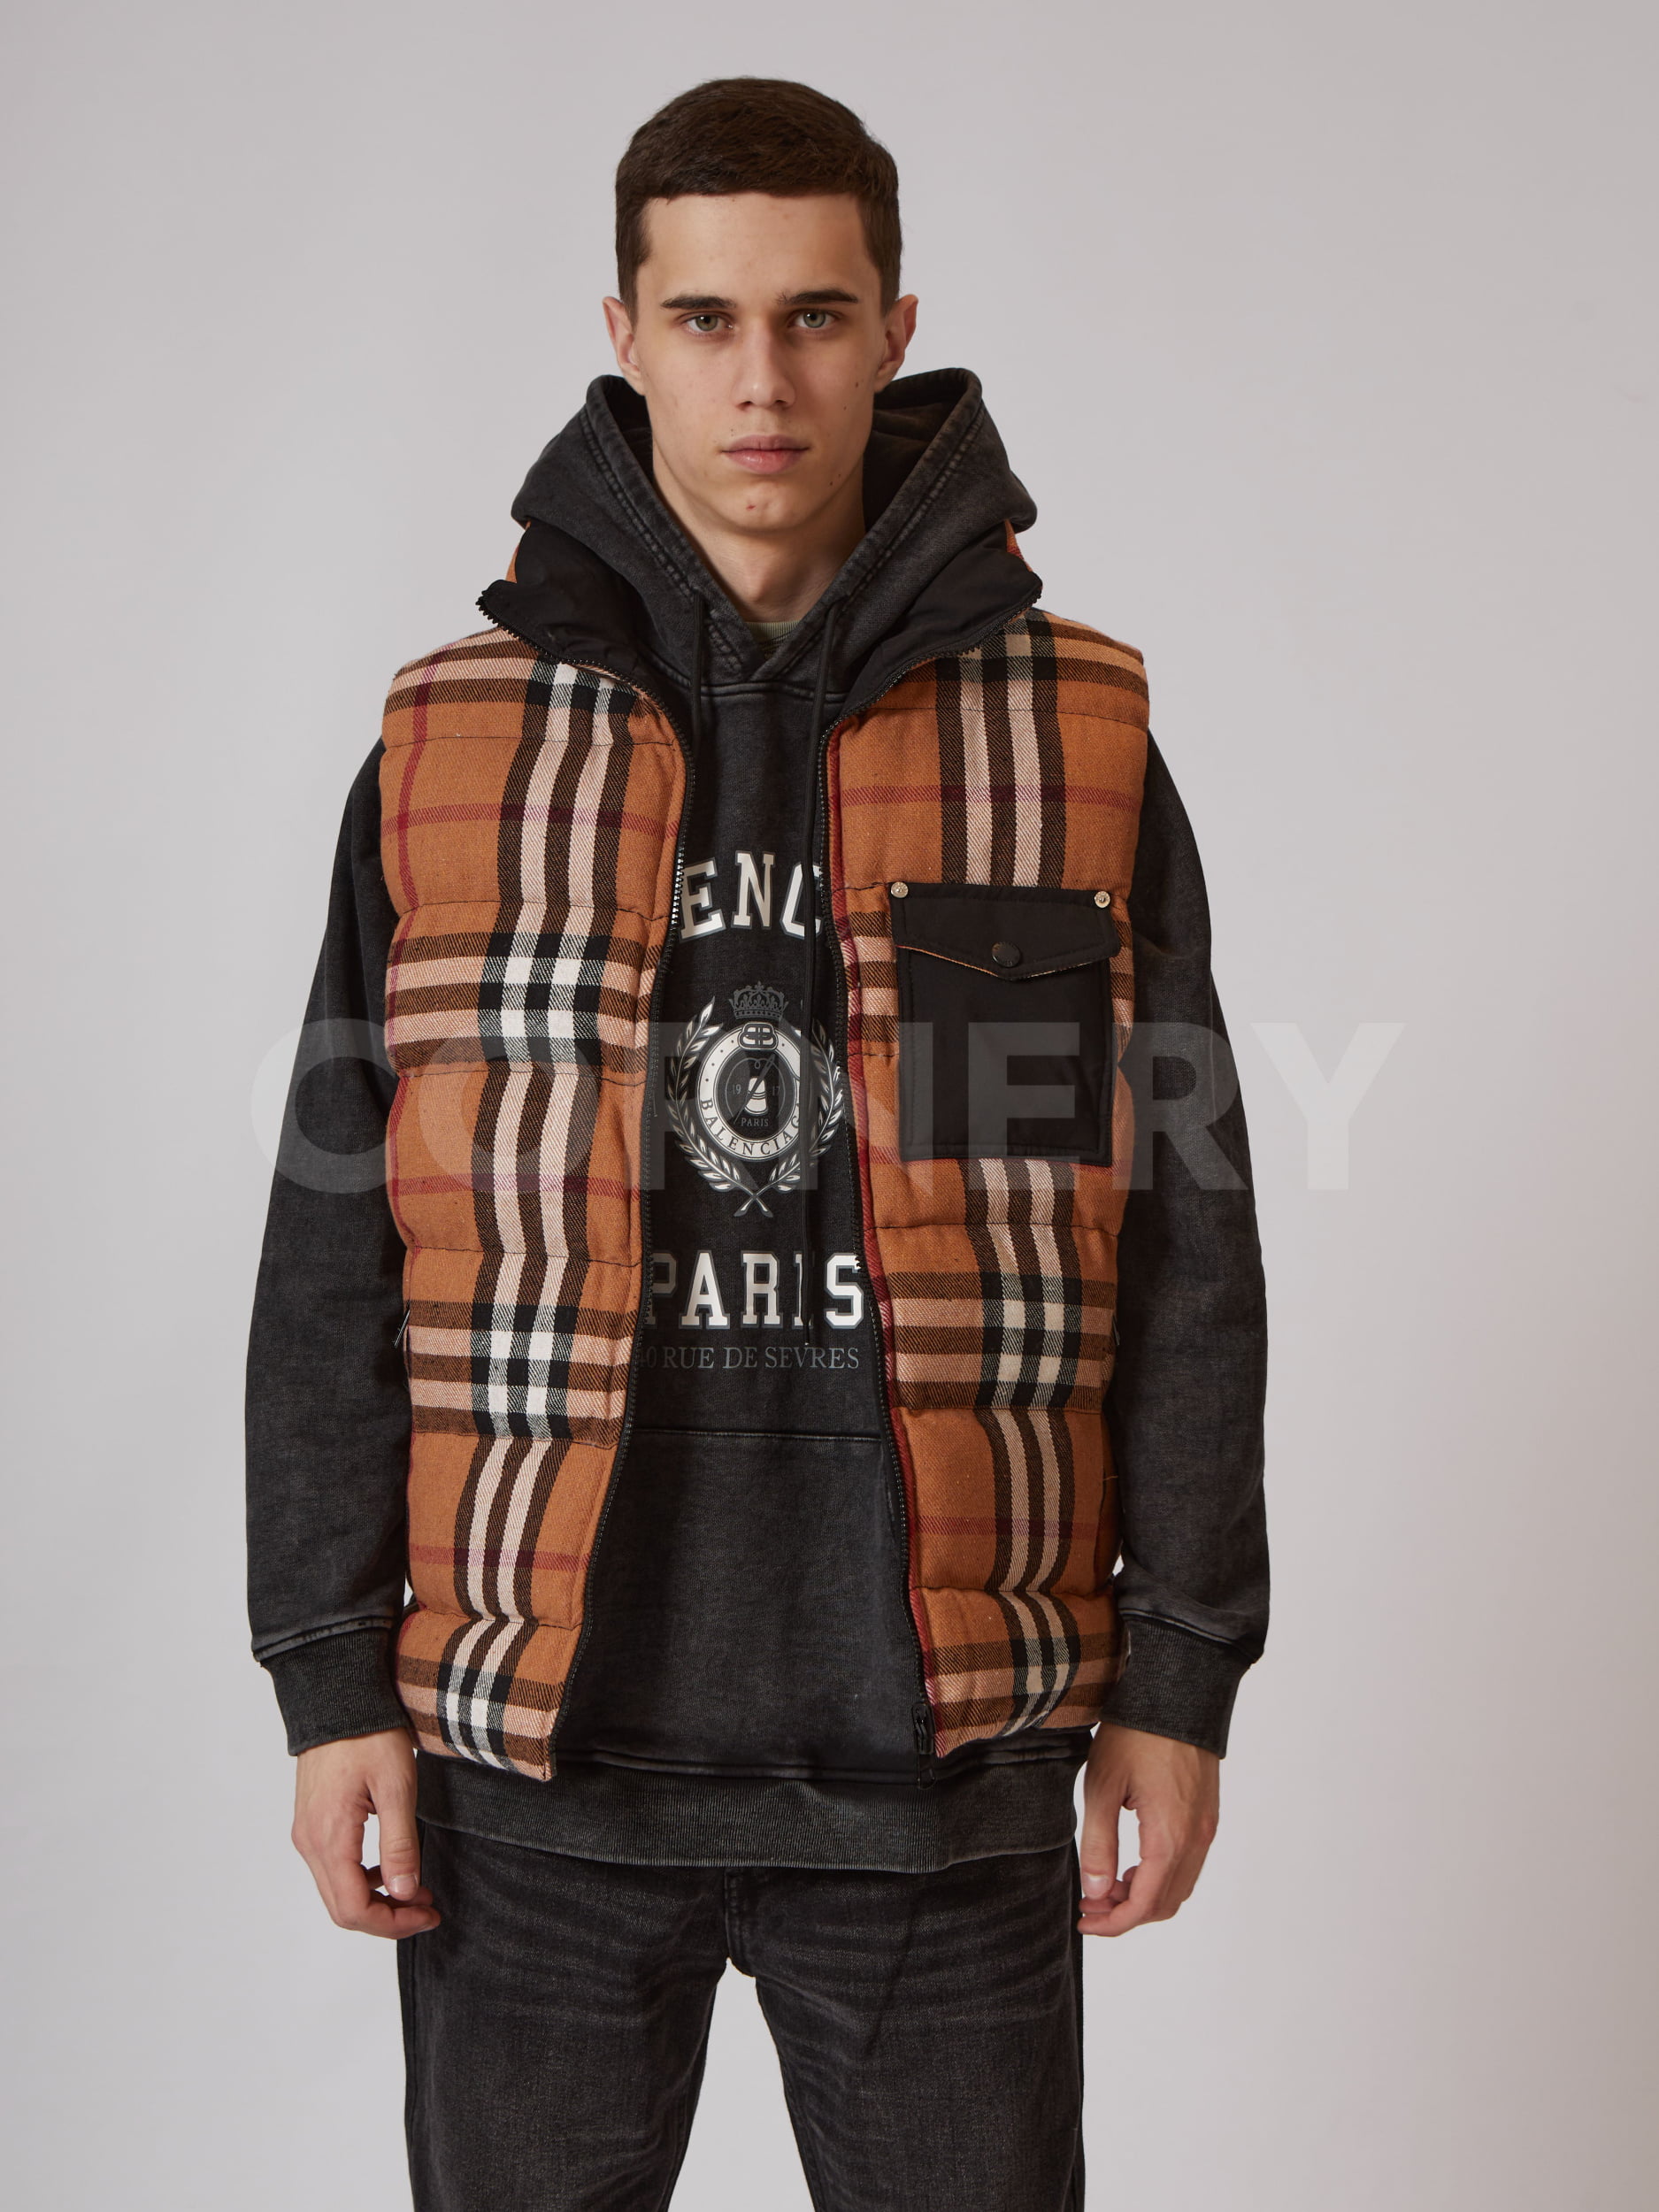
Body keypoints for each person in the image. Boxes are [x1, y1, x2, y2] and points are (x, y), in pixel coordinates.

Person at [246, 75, 1269, 2212]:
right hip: (529, 1766)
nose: (761, 380)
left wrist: (1177, 1676)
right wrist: (327, 1677)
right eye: (705, 318)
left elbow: (1165, 1238)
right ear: (622, 333)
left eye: (811, 315)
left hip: (940, 1768)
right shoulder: (455, 740)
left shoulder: (1052, 735)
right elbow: (340, 1238)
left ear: (895, 326)